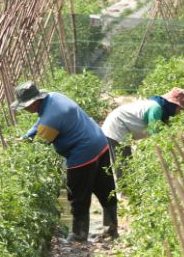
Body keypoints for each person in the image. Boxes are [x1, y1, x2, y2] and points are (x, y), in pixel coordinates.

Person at [12, 81, 118, 242]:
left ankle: (79, 234)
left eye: (25, 106)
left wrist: (24, 150)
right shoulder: (54, 98)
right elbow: (41, 123)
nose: (25, 110)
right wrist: (27, 136)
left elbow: (41, 145)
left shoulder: (51, 119)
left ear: (34, 102)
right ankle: (112, 230)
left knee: (78, 195)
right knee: (105, 189)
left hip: (82, 153)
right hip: (99, 143)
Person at [101, 87, 184, 179]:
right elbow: (154, 133)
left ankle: (122, 189)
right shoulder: (156, 108)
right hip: (116, 127)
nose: (179, 112)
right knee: (123, 164)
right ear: (173, 105)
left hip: (120, 127)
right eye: (179, 108)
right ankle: (123, 192)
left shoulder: (161, 109)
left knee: (125, 162)